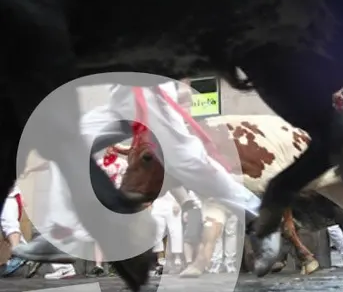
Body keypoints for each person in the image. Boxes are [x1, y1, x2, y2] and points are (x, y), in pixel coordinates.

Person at [12, 80, 279, 281]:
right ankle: (66, 233)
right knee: (68, 143)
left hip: (149, 90)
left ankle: (263, 219)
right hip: (121, 96)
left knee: (189, 164)